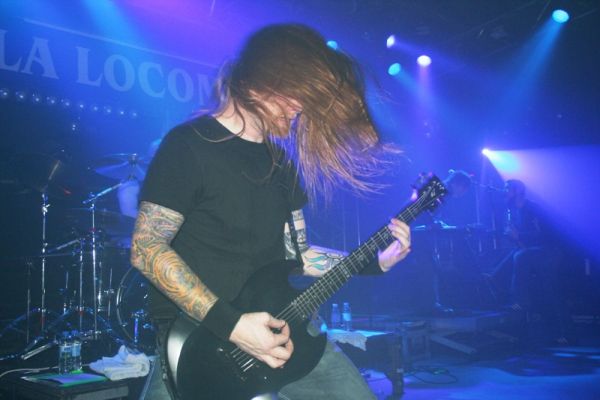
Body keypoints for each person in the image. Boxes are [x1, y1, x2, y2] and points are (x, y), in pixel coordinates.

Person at [130, 24, 411, 400]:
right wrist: (233, 326)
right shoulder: (188, 146)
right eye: (292, 94)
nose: (298, 108)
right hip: (204, 344)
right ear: (260, 82)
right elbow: (146, 248)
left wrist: (375, 262)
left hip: (283, 330)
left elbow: (299, 255)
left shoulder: (281, 164)